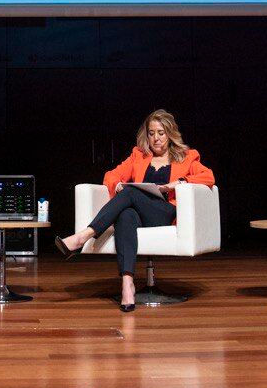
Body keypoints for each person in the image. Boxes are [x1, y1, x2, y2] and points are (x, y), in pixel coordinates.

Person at [55, 109, 215, 311]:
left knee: (130, 195)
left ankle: (83, 236)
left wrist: (179, 183)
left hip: (165, 212)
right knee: (126, 214)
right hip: (140, 213)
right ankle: (127, 285)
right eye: (151, 133)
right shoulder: (138, 156)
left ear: (170, 134)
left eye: (161, 133)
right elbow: (111, 176)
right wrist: (118, 186)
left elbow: (208, 177)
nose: (155, 138)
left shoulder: (187, 156)